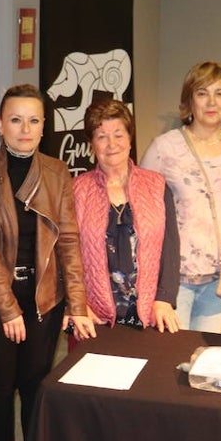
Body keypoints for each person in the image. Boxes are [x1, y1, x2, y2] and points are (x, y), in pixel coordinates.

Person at [0, 85, 95, 441]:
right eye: (16, 120)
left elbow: (69, 241)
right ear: (1, 124)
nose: (25, 129)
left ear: (44, 127)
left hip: (44, 297)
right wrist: (7, 306)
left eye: (34, 120)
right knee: (1, 387)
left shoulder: (57, 172)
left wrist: (77, 303)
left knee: (36, 385)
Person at [141, 61, 221, 331]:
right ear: (189, 100)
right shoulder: (165, 148)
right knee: (168, 357)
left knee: (205, 357)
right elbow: (143, 212)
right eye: (202, 93)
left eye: (219, 93)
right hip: (174, 280)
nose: (211, 102)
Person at [73, 99, 181, 332]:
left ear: (130, 138)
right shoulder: (76, 190)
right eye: (101, 136)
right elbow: (66, 255)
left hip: (150, 312)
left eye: (118, 134)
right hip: (93, 316)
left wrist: (164, 298)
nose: (111, 144)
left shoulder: (156, 185)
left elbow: (171, 248)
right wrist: (77, 303)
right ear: (92, 143)